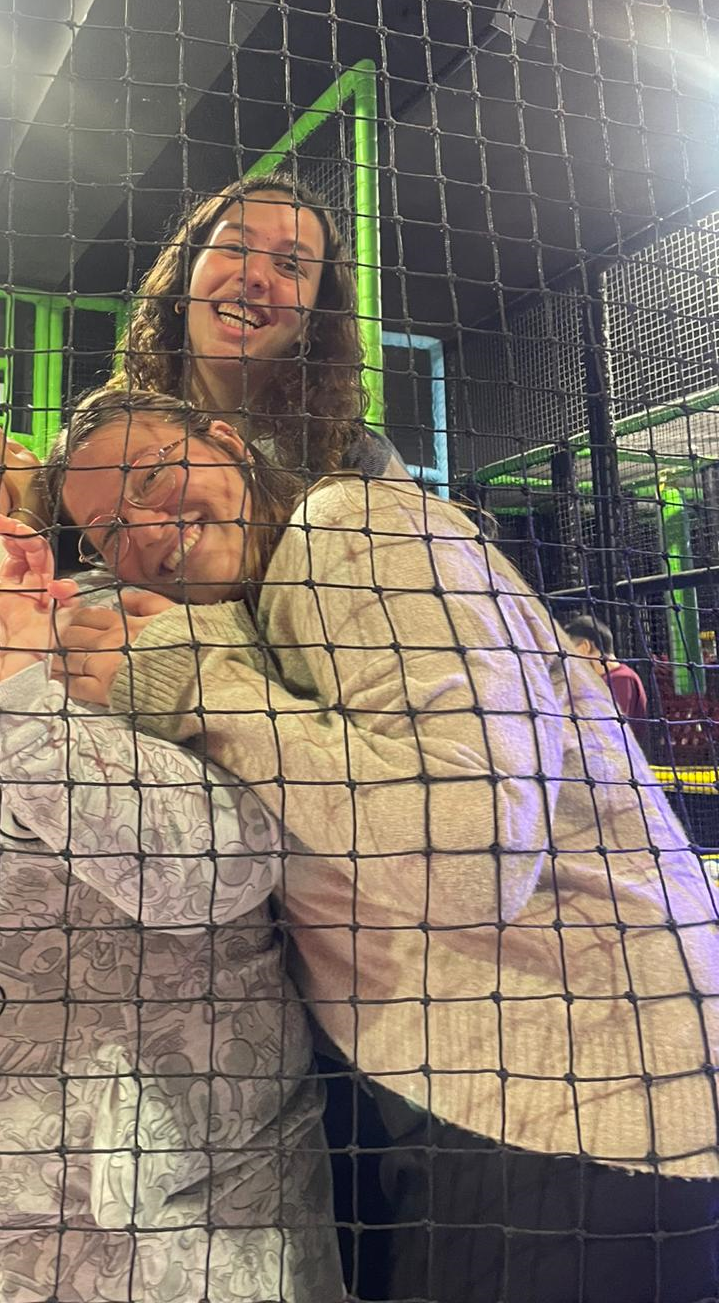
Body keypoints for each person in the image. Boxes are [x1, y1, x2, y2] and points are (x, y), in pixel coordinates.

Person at [47, 386, 719, 1303]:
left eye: (153, 477)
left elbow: (472, 856)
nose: (147, 527)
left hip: (581, 1106)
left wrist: (198, 683)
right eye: (107, 530)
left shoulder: (350, 530)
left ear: (227, 442)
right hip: (499, 1110)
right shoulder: (265, 603)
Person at [0, 376, 342, 1303]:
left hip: (165, 1226)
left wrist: (14, 710)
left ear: (9, 473)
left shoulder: (131, 614)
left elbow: (223, 864)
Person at [115, 171, 406, 482]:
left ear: (310, 323)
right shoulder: (112, 435)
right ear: (185, 281)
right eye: (235, 247)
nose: (254, 275)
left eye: (290, 265)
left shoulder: (358, 459)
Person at [563, 614, 649, 725]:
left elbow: (610, 727)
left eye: (570, 650)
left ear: (585, 647)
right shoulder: (604, 679)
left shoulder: (621, 679)